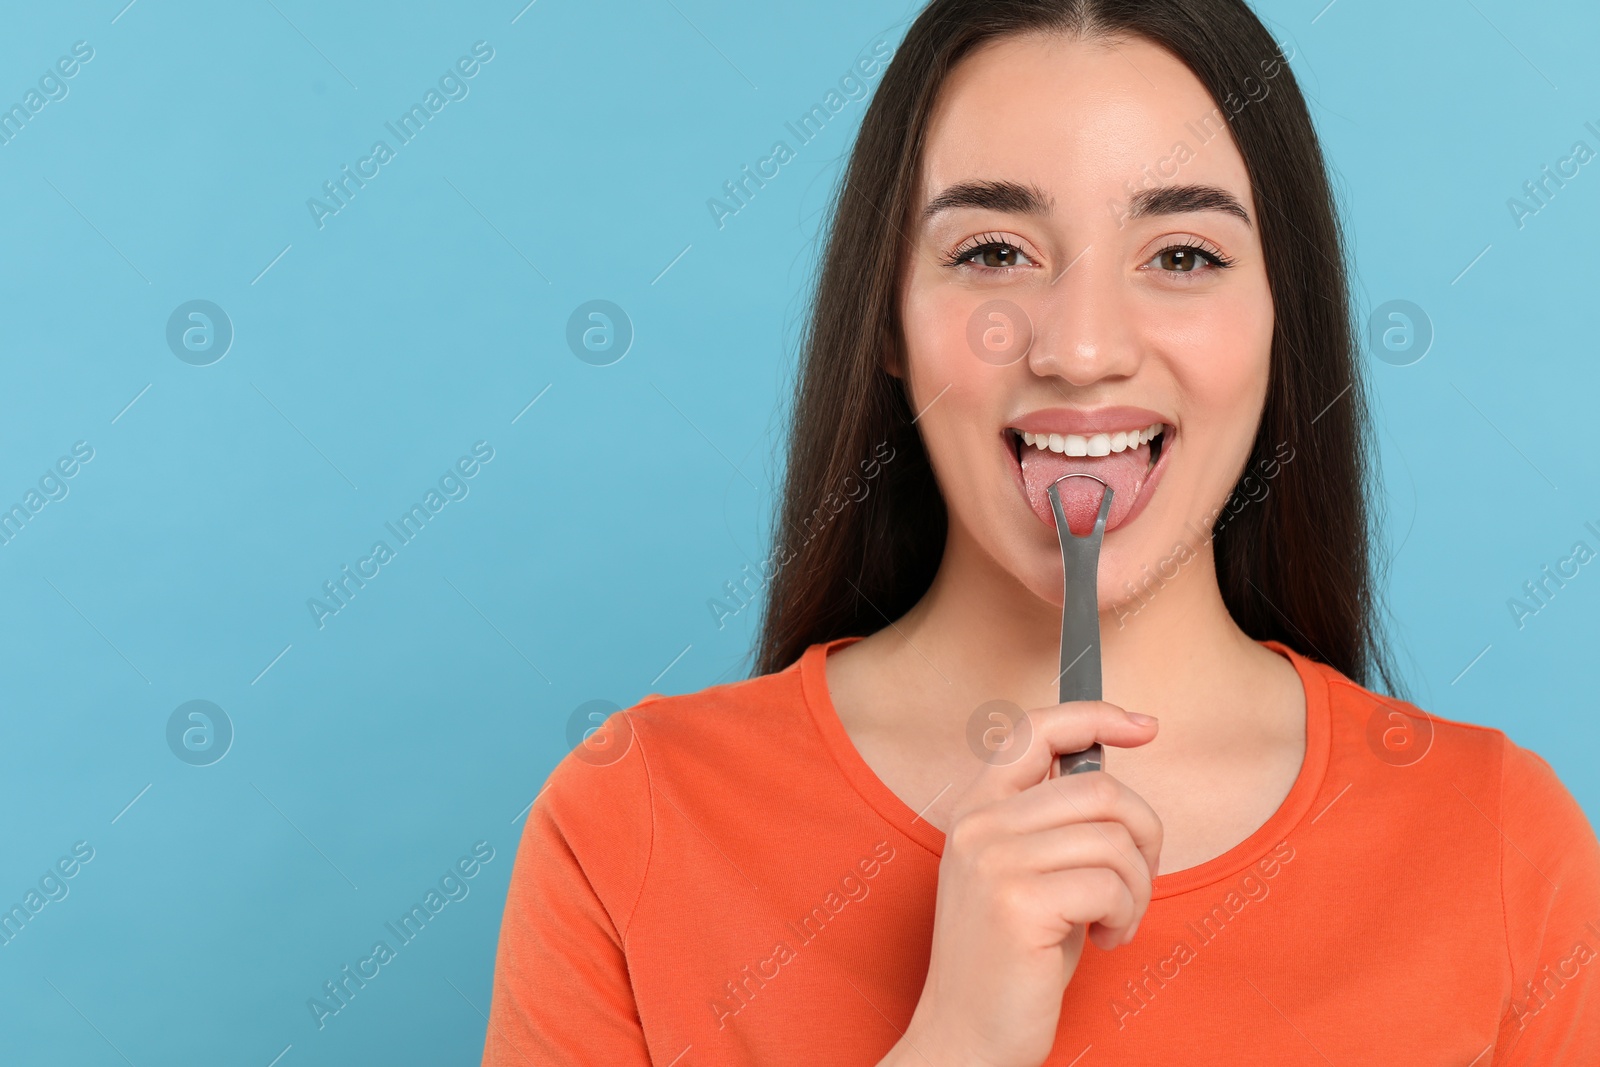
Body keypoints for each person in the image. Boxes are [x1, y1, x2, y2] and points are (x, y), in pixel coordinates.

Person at [481, 0, 1600, 1062]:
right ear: (887, 320)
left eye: (1181, 256)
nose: (1080, 347)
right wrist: (953, 1043)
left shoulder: (1499, 844)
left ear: (1279, 322)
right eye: (992, 253)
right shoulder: (633, 820)